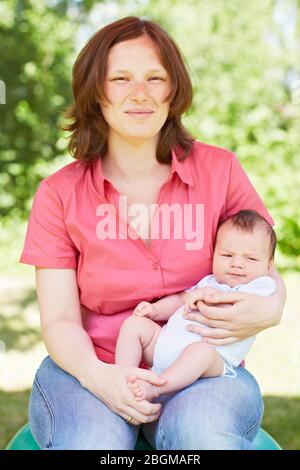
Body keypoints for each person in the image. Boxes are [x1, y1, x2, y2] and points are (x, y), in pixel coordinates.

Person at [19, 16, 286, 450]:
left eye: (154, 78)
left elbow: (262, 263)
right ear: (95, 93)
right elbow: (60, 320)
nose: (139, 93)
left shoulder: (221, 170)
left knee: (202, 440)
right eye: (120, 78)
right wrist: (101, 378)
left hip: (198, 369)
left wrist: (273, 305)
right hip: (91, 366)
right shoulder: (59, 194)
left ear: (173, 89)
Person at [115, 210, 277, 402]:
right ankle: (125, 378)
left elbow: (238, 307)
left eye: (250, 259)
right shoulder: (209, 281)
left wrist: (212, 296)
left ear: (268, 265)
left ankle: (156, 386)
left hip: (211, 358)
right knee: (134, 325)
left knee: (200, 352)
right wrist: (156, 310)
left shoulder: (261, 286)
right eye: (226, 255)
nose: (237, 264)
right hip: (163, 346)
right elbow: (181, 299)